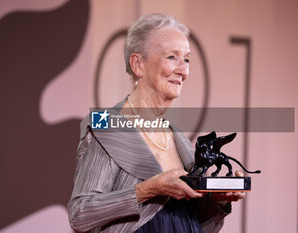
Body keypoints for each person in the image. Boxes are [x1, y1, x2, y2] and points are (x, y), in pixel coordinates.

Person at [68, 13, 245, 233]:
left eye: (187, 59)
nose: (183, 70)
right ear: (138, 64)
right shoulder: (105, 125)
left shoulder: (178, 137)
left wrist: (218, 200)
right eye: (172, 57)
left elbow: (195, 223)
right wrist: (149, 189)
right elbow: (80, 214)